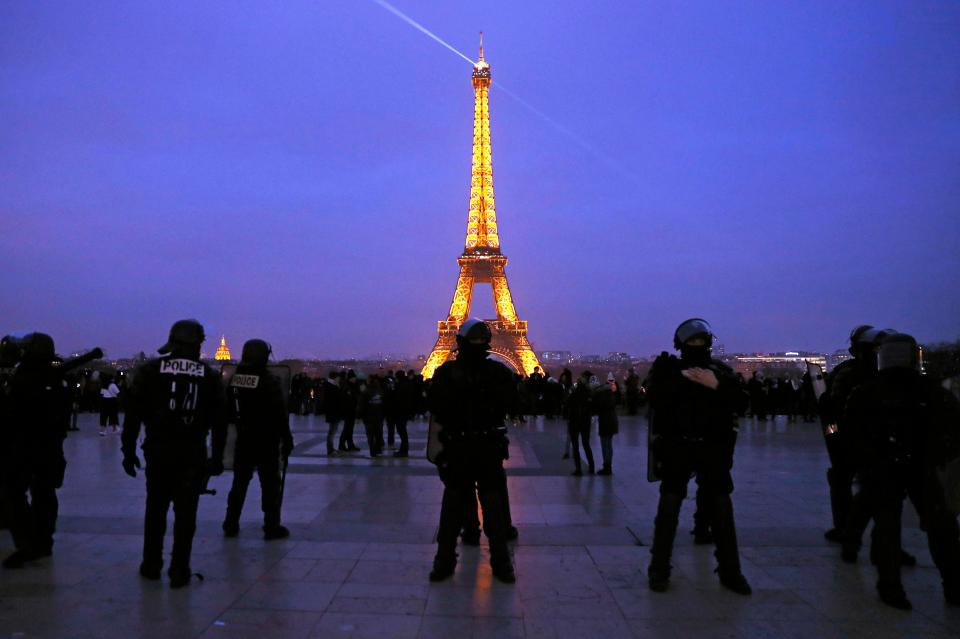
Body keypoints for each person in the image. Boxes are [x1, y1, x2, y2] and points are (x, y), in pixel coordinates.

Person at [845, 333, 960, 610]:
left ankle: (890, 587)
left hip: (884, 467)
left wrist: (866, 462)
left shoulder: (867, 390)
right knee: (940, 528)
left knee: (888, 527)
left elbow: (851, 432)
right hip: (922, 466)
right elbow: (953, 427)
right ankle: (953, 586)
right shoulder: (930, 389)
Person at [646, 318, 751, 595]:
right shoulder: (671, 372)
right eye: (693, 342)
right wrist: (678, 380)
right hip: (682, 447)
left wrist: (716, 385)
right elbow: (655, 401)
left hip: (708, 448)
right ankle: (661, 568)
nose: (697, 346)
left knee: (719, 511)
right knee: (671, 510)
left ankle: (727, 570)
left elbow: (743, 403)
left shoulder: (720, 373)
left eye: (700, 342)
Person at [120, 319, 226, 587]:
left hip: (159, 452)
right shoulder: (210, 376)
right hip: (192, 454)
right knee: (186, 515)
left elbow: (133, 416)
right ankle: (180, 568)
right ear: (198, 344)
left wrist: (128, 449)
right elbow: (220, 422)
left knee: (155, 510)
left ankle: (151, 564)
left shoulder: (151, 371)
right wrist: (217, 457)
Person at [427, 319, 518, 584]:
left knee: (452, 508)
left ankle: (444, 561)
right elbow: (513, 404)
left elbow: (436, 408)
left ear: (459, 342)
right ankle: (501, 564)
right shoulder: (499, 373)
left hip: (458, 449)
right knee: (494, 508)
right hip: (489, 449)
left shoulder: (446, 374)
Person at [3, 334, 102, 569]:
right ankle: (43, 541)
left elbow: (10, 414)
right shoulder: (55, 377)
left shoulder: (24, 377)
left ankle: (27, 542)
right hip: (51, 446)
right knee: (45, 494)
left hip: (25, 445)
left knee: (13, 494)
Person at [222, 339, 294, 540]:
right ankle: (271, 526)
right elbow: (279, 413)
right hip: (266, 440)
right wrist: (286, 438)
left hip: (244, 438)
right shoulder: (268, 380)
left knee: (239, 484)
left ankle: (230, 522)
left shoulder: (235, 379)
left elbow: (228, 411)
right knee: (270, 484)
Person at [565, 371, 595, 476]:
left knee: (575, 446)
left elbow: (568, 403)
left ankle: (578, 469)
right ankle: (591, 467)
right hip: (585, 421)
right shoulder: (589, 392)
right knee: (586, 444)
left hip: (574, 421)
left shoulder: (576, 390)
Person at [593, 374, 618, 475]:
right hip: (612, 422)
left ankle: (606, 466)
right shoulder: (611, 396)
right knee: (609, 445)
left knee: (604, 445)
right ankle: (609, 465)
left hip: (604, 422)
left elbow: (598, 408)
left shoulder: (601, 397)